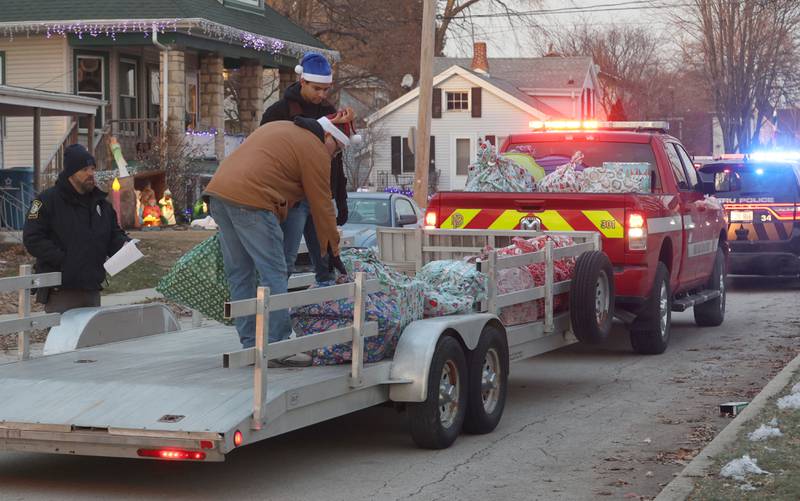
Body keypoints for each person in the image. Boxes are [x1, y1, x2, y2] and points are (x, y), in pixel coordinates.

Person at [204, 116, 351, 363]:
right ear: (327, 136)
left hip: (218, 195)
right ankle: (278, 343)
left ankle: (249, 345)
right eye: (337, 148)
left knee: (240, 274)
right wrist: (333, 251)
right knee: (274, 271)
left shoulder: (279, 127)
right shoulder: (314, 149)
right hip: (253, 202)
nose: (335, 156)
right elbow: (322, 205)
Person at [260, 52, 352, 284]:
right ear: (303, 81)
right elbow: (265, 153)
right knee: (286, 259)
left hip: (321, 196)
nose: (321, 95)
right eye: (316, 89)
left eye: (326, 89)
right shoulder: (278, 112)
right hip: (294, 197)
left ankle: (327, 311)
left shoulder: (328, 110)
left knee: (326, 261)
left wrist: (340, 200)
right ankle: (274, 312)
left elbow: (335, 161)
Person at [23, 144, 129, 313]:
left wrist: (125, 246)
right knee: (62, 339)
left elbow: (113, 235)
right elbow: (32, 238)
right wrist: (63, 260)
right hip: (61, 291)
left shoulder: (102, 205)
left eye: (92, 168)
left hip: (92, 288)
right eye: (84, 169)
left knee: (91, 338)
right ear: (71, 173)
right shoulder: (47, 201)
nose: (90, 174)